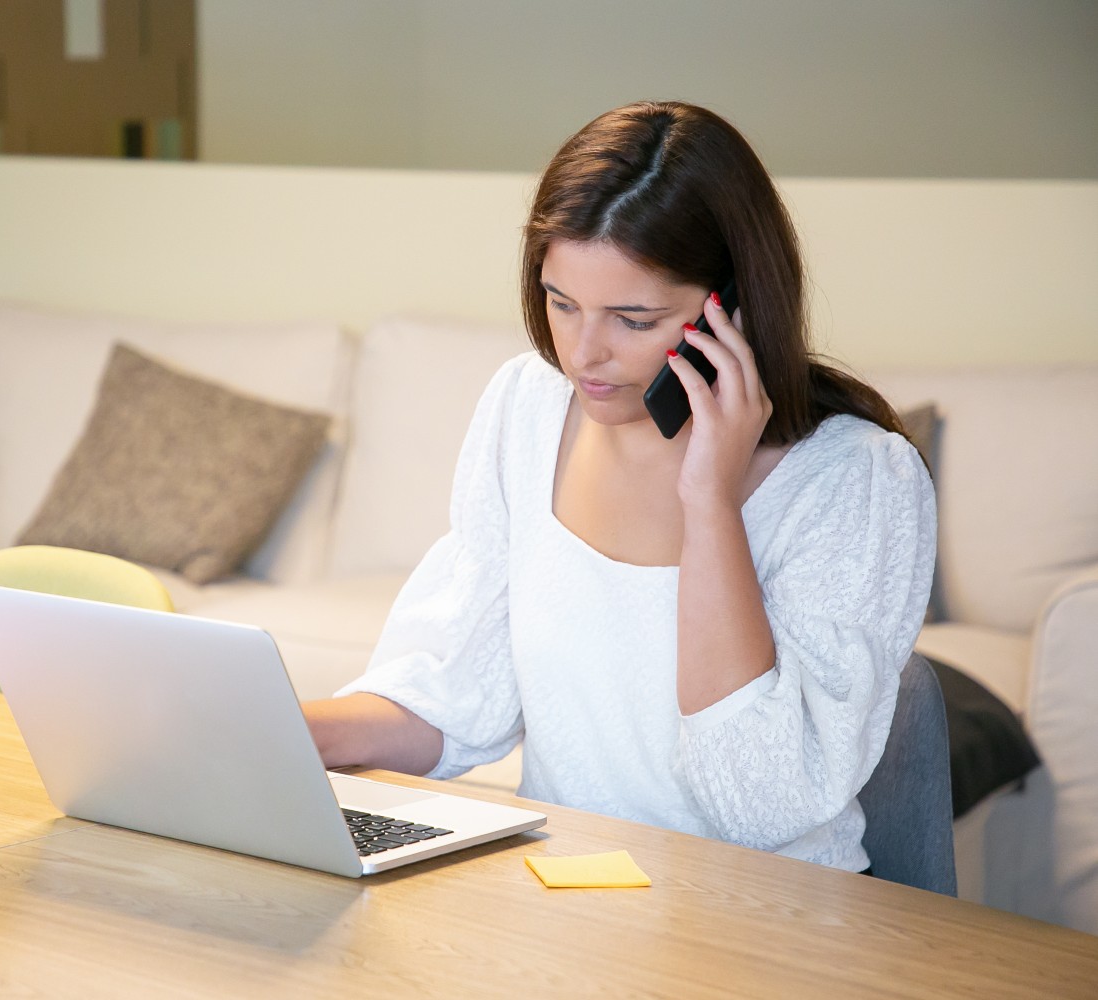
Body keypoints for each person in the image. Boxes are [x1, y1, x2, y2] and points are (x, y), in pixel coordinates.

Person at [302, 101, 936, 873]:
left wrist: (710, 501)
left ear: (731, 305)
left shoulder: (855, 480)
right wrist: (285, 731)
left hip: (763, 919)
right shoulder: (526, 407)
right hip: (568, 895)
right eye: (560, 302)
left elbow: (762, 800)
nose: (583, 354)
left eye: (633, 320)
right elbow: (456, 697)